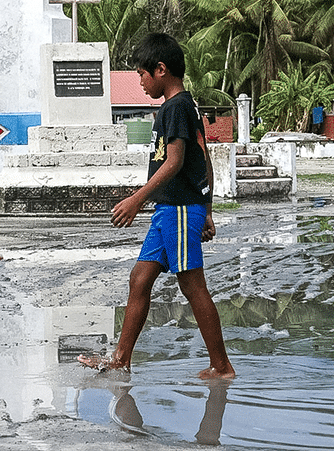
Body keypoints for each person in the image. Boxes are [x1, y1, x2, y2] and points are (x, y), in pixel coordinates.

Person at [79, 32, 236, 380]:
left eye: (142, 74)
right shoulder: (181, 106)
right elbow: (203, 157)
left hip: (178, 209)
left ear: (161, 70)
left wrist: (136, 198)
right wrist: (207, 208)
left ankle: (222, 366)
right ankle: (121, 358)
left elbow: (176, 161)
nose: (139, 82)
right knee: (140, 278)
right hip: (172, 209)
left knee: (193, 285)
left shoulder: (177, 106)